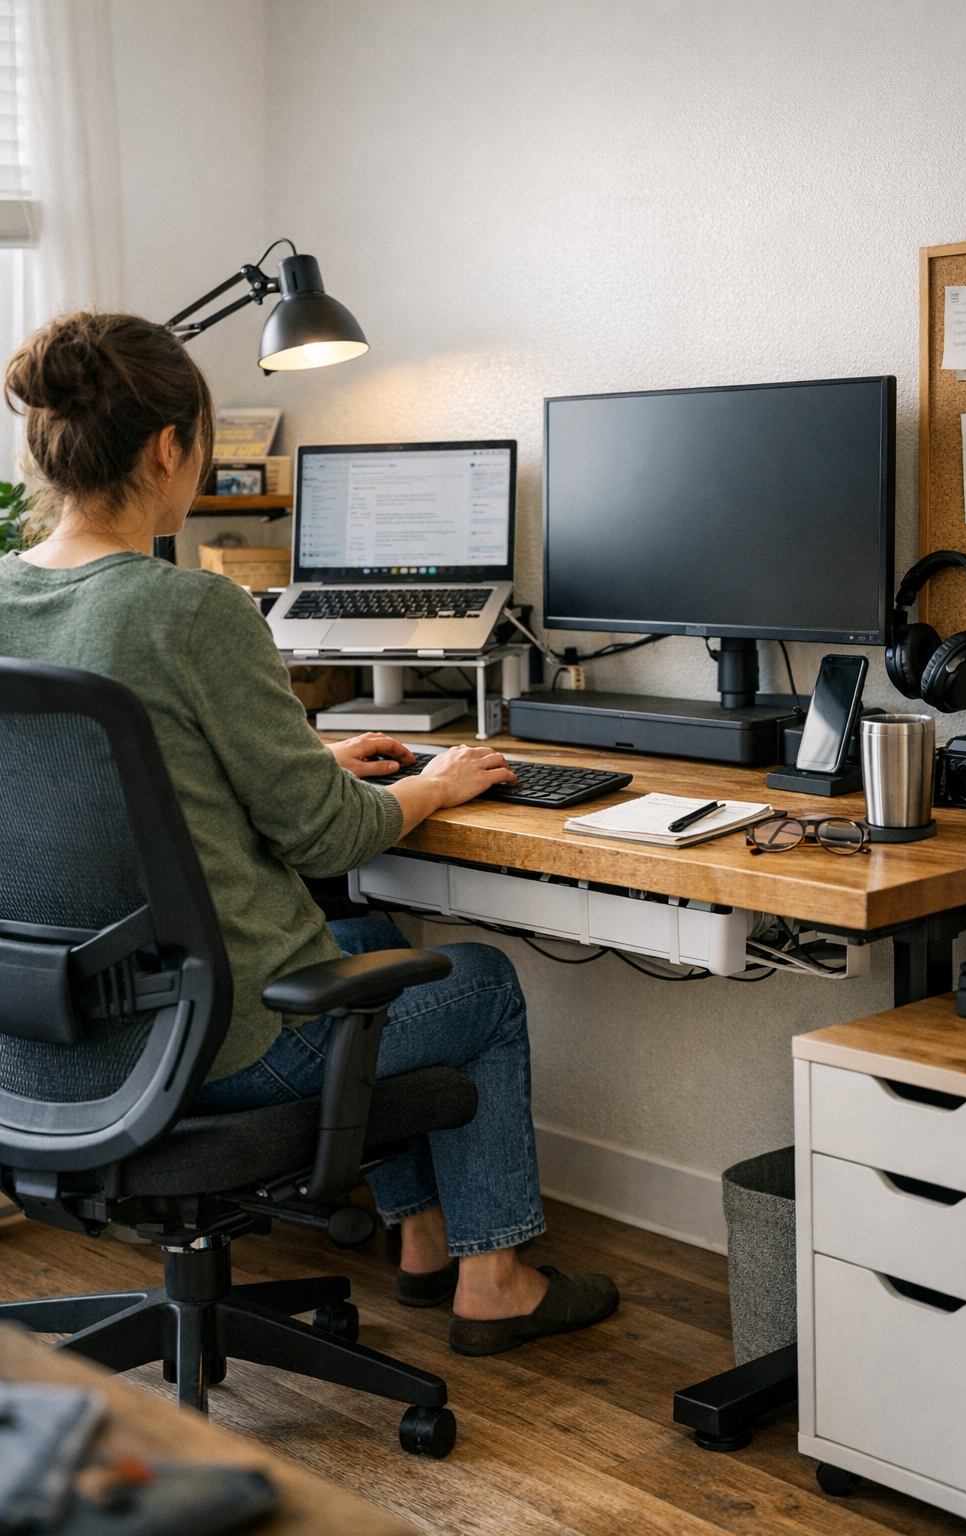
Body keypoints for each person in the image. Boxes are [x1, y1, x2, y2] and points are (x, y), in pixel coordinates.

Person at [0, 311, 617, 1357]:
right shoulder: (190, 609)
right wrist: (436, 783)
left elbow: (113, 787)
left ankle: (423, 1241)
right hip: (206, 1048)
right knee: (482, 981)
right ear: (170, 447)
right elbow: (329, 838)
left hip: (50, 1041)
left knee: (374, 951)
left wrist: (310, 761)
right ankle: (497, 1280)